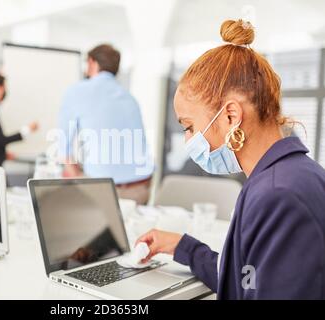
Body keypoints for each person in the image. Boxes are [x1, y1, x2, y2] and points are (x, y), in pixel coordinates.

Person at [137, 19, 325, 299]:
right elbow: (250, 280)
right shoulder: (294, 175)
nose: (189, 140)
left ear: (231, 116)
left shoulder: (277, 195)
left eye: (188, 126)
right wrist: (183, 247)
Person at [58, 44, 154, 205]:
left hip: (104, 191)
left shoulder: (76, 92)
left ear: (91, 63)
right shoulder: (129, 97)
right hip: (141, 188)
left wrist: (79, 180)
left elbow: (63, 147)